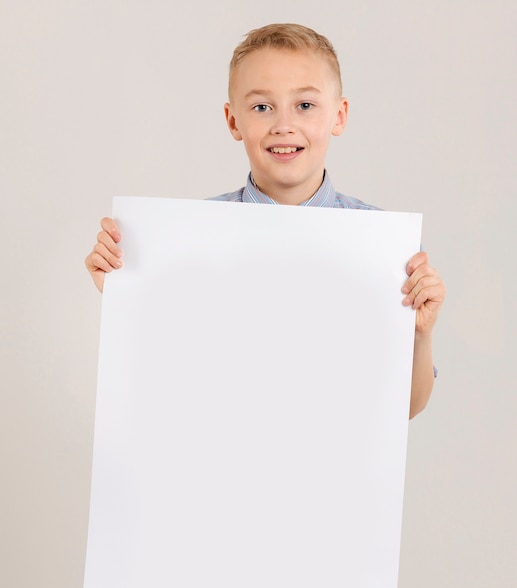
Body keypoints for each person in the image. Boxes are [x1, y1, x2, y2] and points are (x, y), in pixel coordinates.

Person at [85, 23, 445, 418]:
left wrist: (420, 334)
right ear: (233, 121)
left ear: (338, 116)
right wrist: (128, 294)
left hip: (332, 472)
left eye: (305, 105)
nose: (283, 125)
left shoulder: (387, 248)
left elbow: (406, 408)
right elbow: (162, 382)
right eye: (261, 107)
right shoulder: (188, 238)